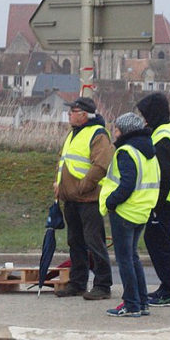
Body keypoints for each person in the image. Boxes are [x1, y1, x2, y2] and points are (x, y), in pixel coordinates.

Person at [100, 112, 160, 317]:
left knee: (125, 259)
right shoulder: (149, 150)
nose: (114, 133)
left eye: (116, 129)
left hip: (125, 211)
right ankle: (142, 302)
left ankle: (131, 303)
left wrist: (110, 202)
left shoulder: (126, 152)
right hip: (142, 211)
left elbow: (126, 184)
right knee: (133, 257)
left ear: (124, 131)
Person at [54, 96, 114, 300]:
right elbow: (65, 162)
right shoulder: (74, 134)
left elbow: (101, 165)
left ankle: (103, 284)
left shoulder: (98, 134)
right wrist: (59, 185)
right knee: (75, 242)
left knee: (94, 242)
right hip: (71, 199)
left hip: (88, 200)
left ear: (84, 115)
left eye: (73, 111)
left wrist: (83, 187)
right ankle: (78, 282)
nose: (69, 114)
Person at [137, 92, 170, 307]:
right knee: (158, 241)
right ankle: (167, 287)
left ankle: (168, 290)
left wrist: (155, 207)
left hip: (166, 202)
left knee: (159, 243)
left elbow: (164, 176)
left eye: (146, 115)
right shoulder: (169, 131)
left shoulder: (163, 138)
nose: (144, 120)